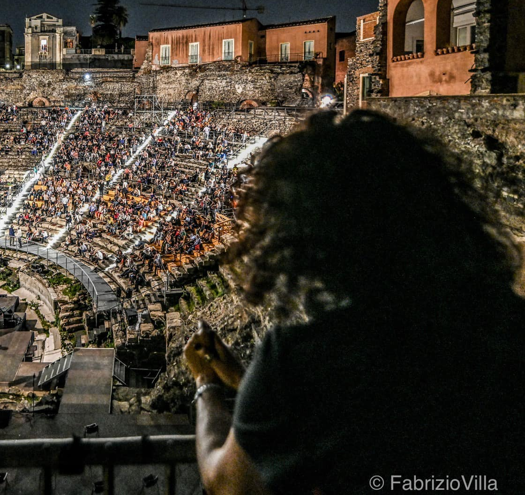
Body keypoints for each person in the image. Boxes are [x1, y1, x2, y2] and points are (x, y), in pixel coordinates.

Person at [184, 111, 525, 494]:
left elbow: (228, 483)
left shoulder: (304, 358)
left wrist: (206, 385)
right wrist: (245, 383)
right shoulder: (510, 328)